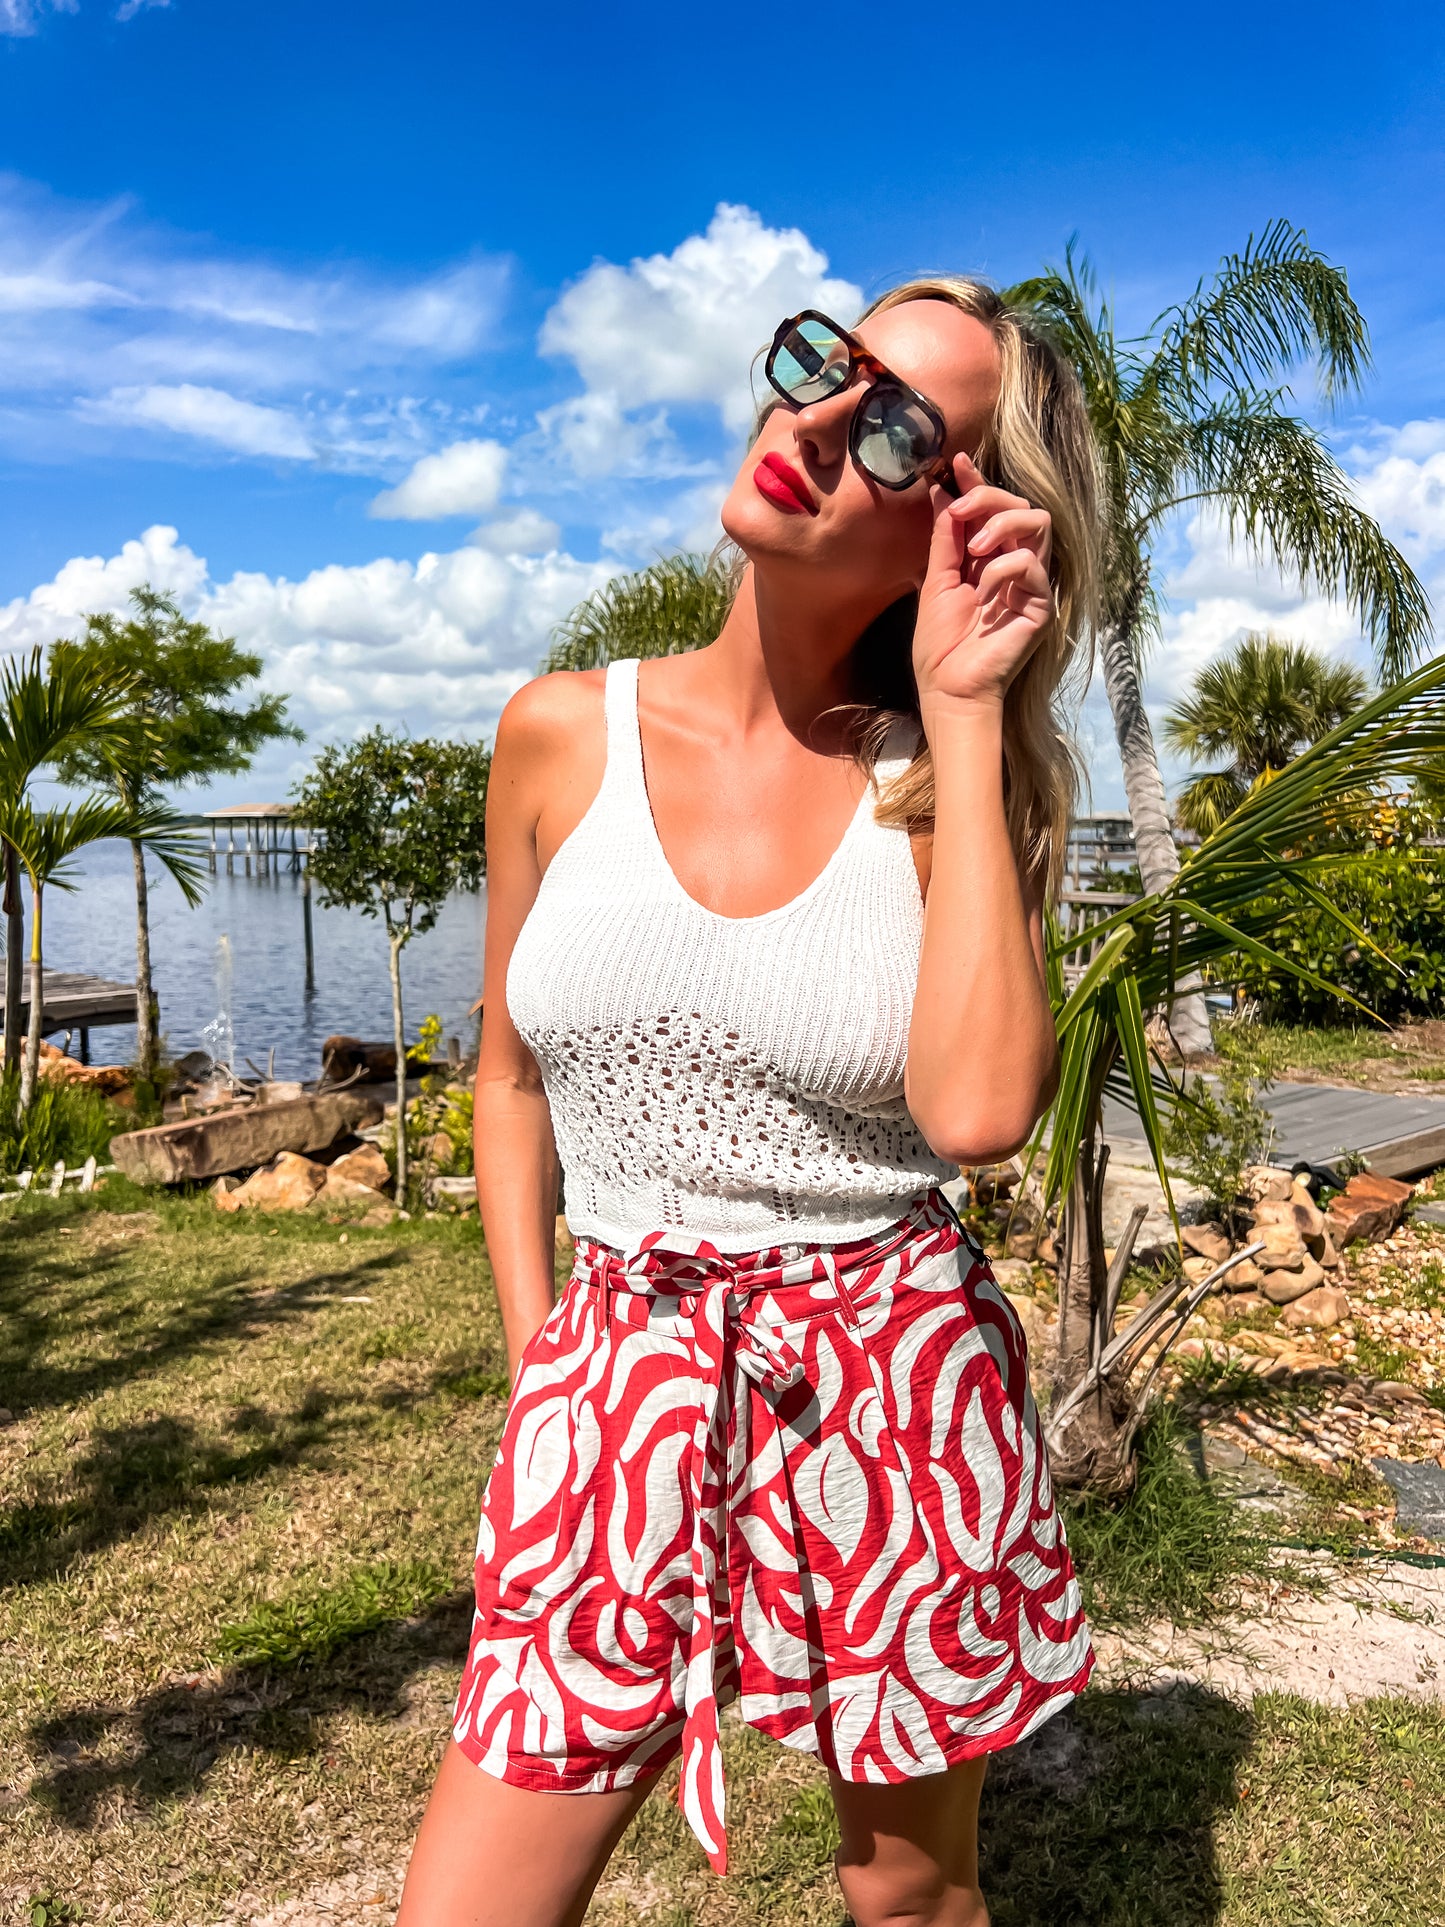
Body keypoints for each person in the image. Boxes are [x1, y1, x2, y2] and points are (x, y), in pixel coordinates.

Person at [397, 279, 1100, 1927]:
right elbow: (508, 1079)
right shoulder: (557, 734)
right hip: (616, 1366)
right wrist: (545, 1358)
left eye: (898, 429)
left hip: (894, 1382)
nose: (817, 423)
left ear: (961, 523)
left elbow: (978, 1114)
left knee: (905, 1899)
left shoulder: (942, 783)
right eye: (823, 367)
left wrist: (967, 708)